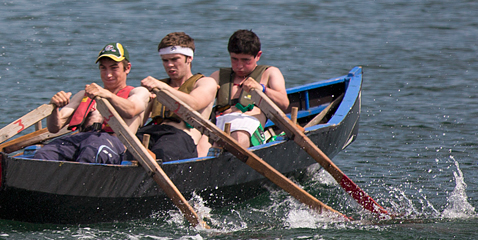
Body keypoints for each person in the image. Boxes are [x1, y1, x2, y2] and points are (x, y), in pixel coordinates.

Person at [30, 42, 150, 164]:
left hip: (113, 143)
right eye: (103, 68)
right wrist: (54, 108)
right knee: (44, 154)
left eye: (114, 68)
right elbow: (54, 127)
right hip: (81, 139)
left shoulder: (138, 92)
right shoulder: (84, 95)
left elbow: (131, 110)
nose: (108, 74)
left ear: (127, 68)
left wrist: (107, 95)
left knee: (92, 153)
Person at [139, 32, 220, 160]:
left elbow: (193, 103)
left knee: (162, 153)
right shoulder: (158, 86)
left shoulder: (205, 82)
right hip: (152, 131)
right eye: (165, 60)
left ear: (189, 58)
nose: (169, 64)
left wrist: (162, 88)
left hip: (181, 136)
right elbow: (139, 118)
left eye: (174, 59)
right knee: (128, 152)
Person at [213, 29, 290, 148]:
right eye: (234, 59)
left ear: (258, 56)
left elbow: (284, 103)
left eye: (245, 60)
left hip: (247, 125)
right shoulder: (218, 76)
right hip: (218, 123)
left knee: (238, 137)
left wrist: (262, 89)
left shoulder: (269, 73)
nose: (239, 66)